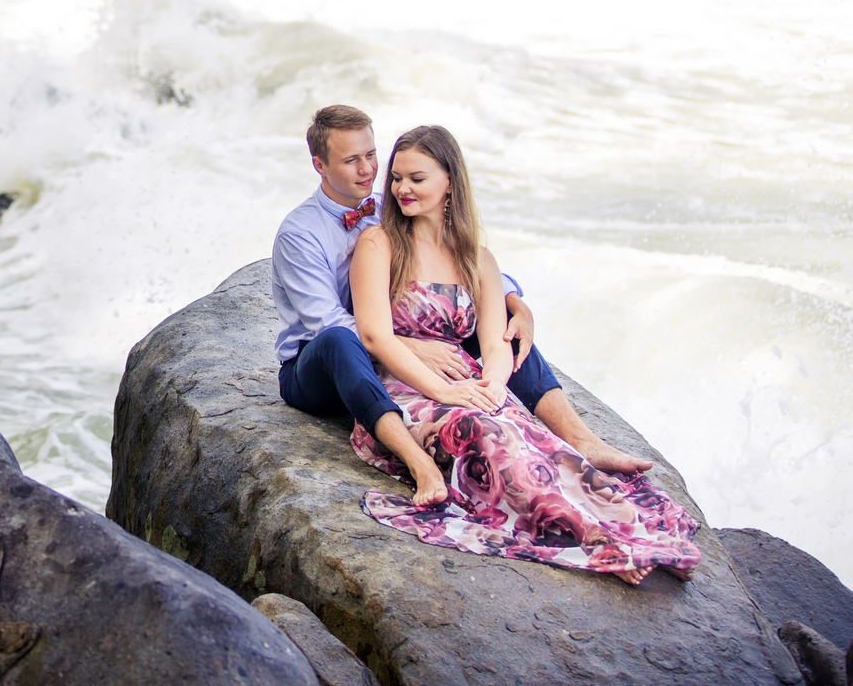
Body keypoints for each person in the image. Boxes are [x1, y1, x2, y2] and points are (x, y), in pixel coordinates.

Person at [348, 124, 699, 584]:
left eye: (417, 178)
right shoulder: (379, 243)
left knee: (530, 439)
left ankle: (631, 531)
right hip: (407, 387)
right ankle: (590, 538)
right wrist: (447, 393)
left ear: (450, 180)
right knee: (483, 431)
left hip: (470, 381)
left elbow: (495, 343)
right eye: (396, 178)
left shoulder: (478, 258)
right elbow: (374, 337)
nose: (402, 188)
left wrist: (493, 385)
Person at [273, 105, 653, 506]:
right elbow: (328, 322)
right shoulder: (301, 233)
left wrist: (511, 300)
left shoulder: (395, 201)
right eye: (352, 160)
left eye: (371, 155)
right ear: (319, 165)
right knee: (338, 341)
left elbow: (451, 264)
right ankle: (417, 463)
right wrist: (411, 346)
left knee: (499, 325)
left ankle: (581, 439)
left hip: (385, 350)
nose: (368, 169)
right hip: (322, 367)